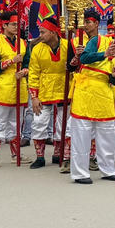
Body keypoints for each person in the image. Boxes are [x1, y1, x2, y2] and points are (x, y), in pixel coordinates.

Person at [66, 9, 115, 183]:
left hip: (104, 94)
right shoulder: (99, 40)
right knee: (82, 133)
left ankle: (108, 169)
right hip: (86, 91)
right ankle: (80, 173)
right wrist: (105, 54)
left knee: (108, 134)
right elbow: (84, 58)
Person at [0, 14, 30, 168]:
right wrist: (11, 61)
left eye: (18, 24)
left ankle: (15, 154)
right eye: (13, 24)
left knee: (16, 123)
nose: (16, 27)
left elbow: (29, 63)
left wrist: (24, 71)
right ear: (4, 25)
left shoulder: (23, 43)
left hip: (20, 86)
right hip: (2, 87)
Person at [27, 16, 71, 169]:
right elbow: (33, 74)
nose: (40, 35)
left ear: (53, 32)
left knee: (63, 125)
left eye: (43, 32)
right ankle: (40, 157)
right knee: (38, 123)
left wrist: (72, 66)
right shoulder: (37, 49)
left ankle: (59, 154)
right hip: (44, 92)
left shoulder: (68, 45)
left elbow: (76, 68)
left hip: (64, 91)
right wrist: (34, 96)